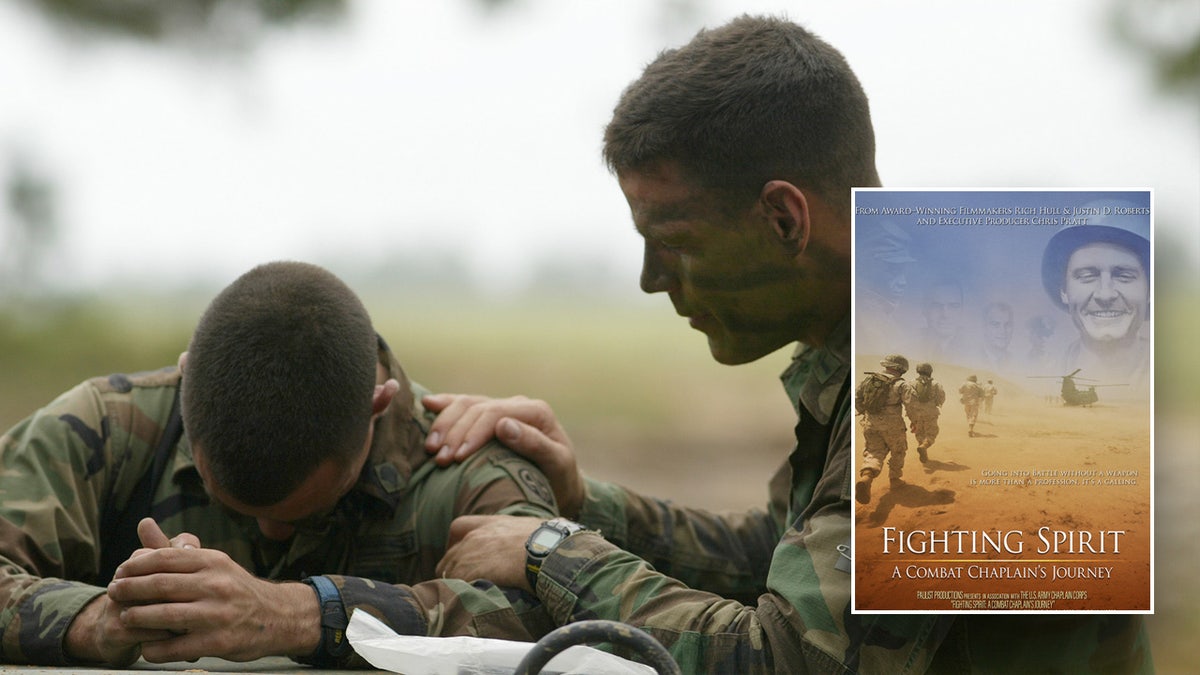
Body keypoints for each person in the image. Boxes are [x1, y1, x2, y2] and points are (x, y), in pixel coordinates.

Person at [418, 15, 1151, 674]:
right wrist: (588, 506)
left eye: (671, 243)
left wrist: (553, 552)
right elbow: (782, 553)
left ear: (783, 220)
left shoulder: (982, 371)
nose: (650, 279)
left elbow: (789, 657)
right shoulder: (897, 326)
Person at [0, 261, 558, 667]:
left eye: (301, 511)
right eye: (231, 504)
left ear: (376, 408)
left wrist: (296, 613)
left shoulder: (467, 465)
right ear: (185, 381)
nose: (271, 532)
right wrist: (98, 619)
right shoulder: (103, 430)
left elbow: (559, 615)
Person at [1041, 216, 1151, 395]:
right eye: (1086, 276)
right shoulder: (1047, 371)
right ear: (1064, 291)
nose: (1105, 294)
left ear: (1150, 291)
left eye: (1124, 276)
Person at [853, 354, 912, 504]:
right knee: (898, 450)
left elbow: (857, 399)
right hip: (892, 426)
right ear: (901, 369)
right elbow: (911, 405)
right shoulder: (901, 384)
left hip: (870, 423)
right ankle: (895, 479)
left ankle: (866, 478)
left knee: (874, 452)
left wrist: (864, 412)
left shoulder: (870, 379)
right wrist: (915, 421)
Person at [904, 362, 946, 463]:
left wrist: (910, 413)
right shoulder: (936, 383)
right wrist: (936, 403)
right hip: (930, 412)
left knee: (919, 433)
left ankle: (922, 448)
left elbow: (906, 398)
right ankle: (924, 446)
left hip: (915, 413)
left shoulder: (910, 383)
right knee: (932, 433)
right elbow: (941, 398)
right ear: (930, 371)